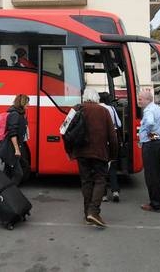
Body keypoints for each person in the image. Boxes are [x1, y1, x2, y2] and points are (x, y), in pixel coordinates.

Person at [71, 88, 118, 227]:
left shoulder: (76, 109)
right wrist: (113, 155)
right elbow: (113, 137)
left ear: (84, 97)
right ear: (96, 98)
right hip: (99, 152)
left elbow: (64, 129)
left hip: (81, 152)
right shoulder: (103, 111)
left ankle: (87, 214)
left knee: (86, 181)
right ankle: (94, 211)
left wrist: (71, 150)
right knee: (100, 180)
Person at [137, 90, 160, 213]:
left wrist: (147, 135)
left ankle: (155, 204)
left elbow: (150, 123)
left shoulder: (148, 110)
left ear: (148, 100)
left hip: (151, 145)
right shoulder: (158, 109)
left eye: (140, 99)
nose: (138, 101)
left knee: (151, 175)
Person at [0, 94, 30, 186]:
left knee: (7, 173)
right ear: (22, 103)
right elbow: (13, 133)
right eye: (27, 102)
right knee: (18, 174)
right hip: (10, 148)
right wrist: (16, 149)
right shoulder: (15, 115)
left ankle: (1, 192)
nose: (29, 104)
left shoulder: (20, 114)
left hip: (14, 147)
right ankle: (10, 193)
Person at [98, 92, 122, 203]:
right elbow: (119, 124)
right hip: (111, 140)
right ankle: (115, 191)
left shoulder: (96, 108)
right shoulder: (111, 109)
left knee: (101, 168)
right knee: (112, 166)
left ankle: (103, 195)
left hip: (99, 141)